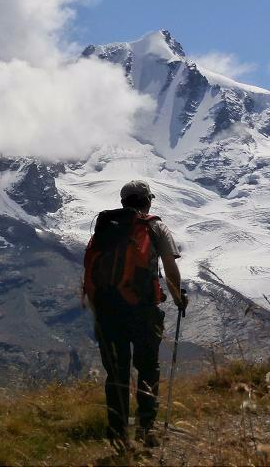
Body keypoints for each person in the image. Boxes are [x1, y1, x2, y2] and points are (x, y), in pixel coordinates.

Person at [83, 180, 186, 450]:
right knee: (147, 368)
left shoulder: (105, 230)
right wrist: (178, 298)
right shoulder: (155, 226)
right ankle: (146, 428)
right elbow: (170, 267)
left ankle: (118, 436)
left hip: (108, 312)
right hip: (143, 310)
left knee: (116, 374)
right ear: (147, 200)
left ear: (123, 201)